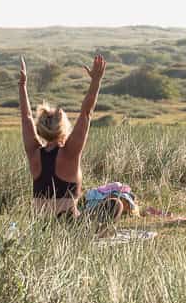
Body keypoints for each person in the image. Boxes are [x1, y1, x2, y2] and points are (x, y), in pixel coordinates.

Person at [19, 54, 122, 220]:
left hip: (39, 229)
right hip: (67, 225)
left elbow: (26, 118)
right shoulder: (69, 152)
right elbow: (86, 113)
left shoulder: (34, 153)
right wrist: (96, 81)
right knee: (115, 205)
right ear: (64, 128)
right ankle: (92, 233)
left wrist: (22, 86)